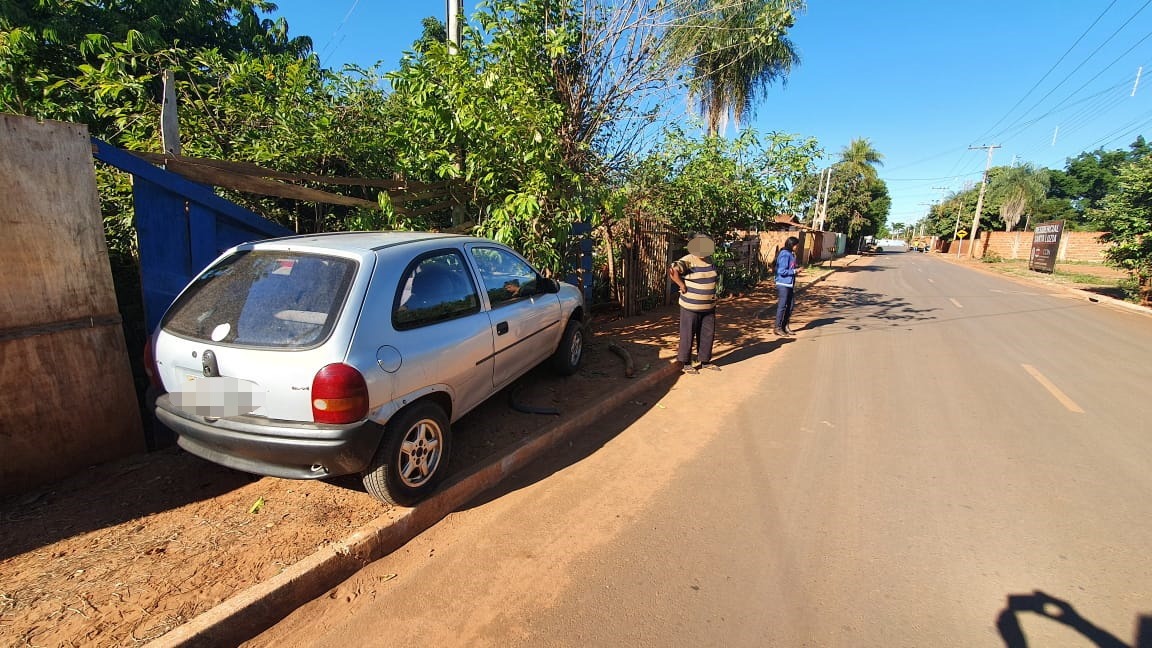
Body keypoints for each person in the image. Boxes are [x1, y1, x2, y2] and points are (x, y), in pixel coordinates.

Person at [669, 234, 719, 374]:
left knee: (707, 334)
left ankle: (705, 360)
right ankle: (686, 363)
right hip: (690, 306)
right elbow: (672, 271)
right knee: (688, 334)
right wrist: (682, 285)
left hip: (709, 306)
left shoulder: (709, 260)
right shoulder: (688, 260)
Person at [773, 236, 801, 336]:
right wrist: (794, 271)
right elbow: (781, 271)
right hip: (783, 283)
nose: (797, 247)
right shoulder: (785, 254)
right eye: (796, 245)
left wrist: (795, 269)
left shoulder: (791, 254)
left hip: (789, 283)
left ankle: (785, 325)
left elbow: (789, 267)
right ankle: (777, 327)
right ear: (791, 245)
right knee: (782, 306)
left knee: (790, 305)